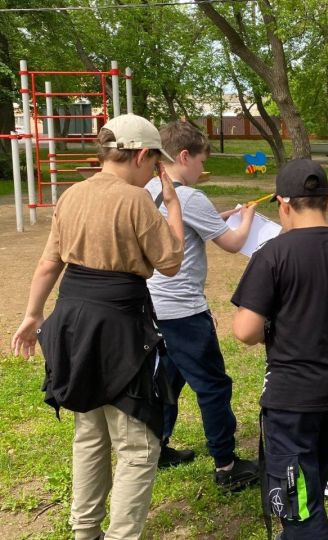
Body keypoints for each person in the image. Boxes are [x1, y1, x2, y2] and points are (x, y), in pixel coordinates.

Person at [11, 114, 185, 540]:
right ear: (141, 154)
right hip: (117, 323)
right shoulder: (134, 199)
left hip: (71, 318)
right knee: (138, 446)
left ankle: (84, 531)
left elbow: (50, 262)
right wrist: (173, 205)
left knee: (89, 432)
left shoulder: (71, 195)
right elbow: (171, 262)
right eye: (153, 164)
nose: (152, 172)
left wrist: (34, 315)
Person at [231, 159, 328, 539]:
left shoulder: (272, 254)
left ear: (283, 205)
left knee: (298, 507)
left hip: (291, 398)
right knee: (311, 475)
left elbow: (245, 331)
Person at [144, 121, 259, 489]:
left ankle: (156, 447)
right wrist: (248, 219)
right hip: (185, 311)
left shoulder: (147, 190)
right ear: (183, 156)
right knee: (213, 385)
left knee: (166, 382)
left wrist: (221, 219)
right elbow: (234, 243)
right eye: (200, 162)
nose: (201, 170)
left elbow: (191, 225)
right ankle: (226, 465)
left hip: (151, 310)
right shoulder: (191, 197)